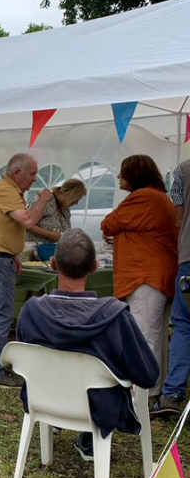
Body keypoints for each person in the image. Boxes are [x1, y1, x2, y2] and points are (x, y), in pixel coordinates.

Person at [16, 228, 159, 460]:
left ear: (53, 263)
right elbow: (148, 374)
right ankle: (88, 439)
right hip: (99, 408)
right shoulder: (116, 317)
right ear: (95, 267)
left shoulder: (30, 312)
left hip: (42, 398)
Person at [0, 153, 53, 388]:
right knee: (0, 315)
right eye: (32, 174)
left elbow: (2, 227)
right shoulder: (5, 191)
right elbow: (27, 221)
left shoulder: (7, 191)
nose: (34, 179)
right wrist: (43, 200)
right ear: (17, 172)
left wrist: (12, 254)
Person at [102, 155, 176, 397]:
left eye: (123, 172)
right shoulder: (158, 197)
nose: (118, 176)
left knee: (144, 336)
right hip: (157, 275)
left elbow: (109, 223)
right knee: (156, 335)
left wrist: (120, 231)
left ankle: (144, 394)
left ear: (135, 175)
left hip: (145, 276)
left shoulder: (143, 197)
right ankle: (155, 388)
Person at [152, 156, 190, 417]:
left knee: (184, 325)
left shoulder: (183, 170)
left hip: (188, 257)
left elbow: (178, 218)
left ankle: (172, 395)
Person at [25, 178, 87, 246]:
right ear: (70, 193)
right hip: (34, 247)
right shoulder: (45, 199)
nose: (76, 203)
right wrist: (49, 234)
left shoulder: (66, 210)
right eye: (76, 199)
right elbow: (26, 223)